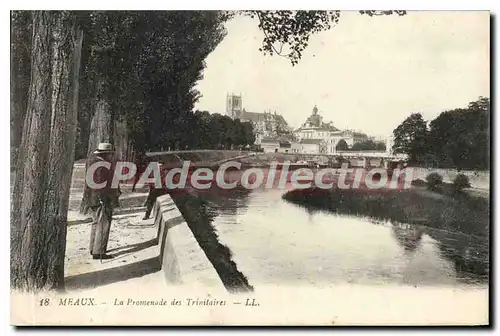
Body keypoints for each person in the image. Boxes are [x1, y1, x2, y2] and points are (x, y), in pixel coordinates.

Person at [85, 142, 117, 260]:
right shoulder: (102, 165)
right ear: (106, 154)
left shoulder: (92, 160)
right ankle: (99, 252)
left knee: (95, 222)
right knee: (103, 223)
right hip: (100, 198)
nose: (111, 156)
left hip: (92, 198)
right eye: (110, 154)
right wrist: (103, 198)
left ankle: (93, 248)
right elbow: (99, 184)